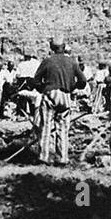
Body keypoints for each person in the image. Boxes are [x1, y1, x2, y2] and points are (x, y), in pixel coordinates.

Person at [34, 35, 84, 164]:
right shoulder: (72, 61)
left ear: (52, 47)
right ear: (64, 47)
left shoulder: (48, 61)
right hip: (65, 94)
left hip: (50, 93)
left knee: (46, 126)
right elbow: (83, 81)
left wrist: (42, 89)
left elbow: (36, 80)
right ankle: (62, 158)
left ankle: (44, 157)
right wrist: (73, 86)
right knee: (63, 128)